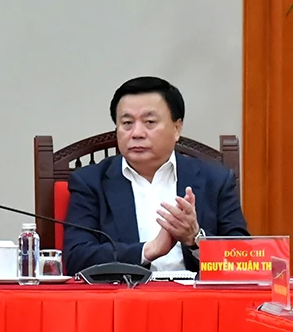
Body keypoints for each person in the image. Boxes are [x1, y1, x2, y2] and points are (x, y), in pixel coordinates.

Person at [63, 76, 248, 274]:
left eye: (149, 122)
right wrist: (148, 250)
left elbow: (245, 260)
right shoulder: (91, 182)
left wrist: (196, 239)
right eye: (127, 123)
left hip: (198, 299)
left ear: (177, 128)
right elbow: (77, 257)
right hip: (123, 299)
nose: (136, 133)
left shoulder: (215, 180)